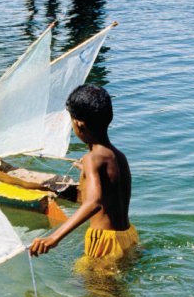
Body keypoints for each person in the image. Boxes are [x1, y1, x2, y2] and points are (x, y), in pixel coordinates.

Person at [29, 84, 137, 263]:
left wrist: (54, 238)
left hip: (104, 242)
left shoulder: (92, 159)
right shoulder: (118, 156)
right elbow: (111, 188)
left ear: (79, 124)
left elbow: (94, 203)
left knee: (92, 289)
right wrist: (87, 172)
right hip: (127, 236)